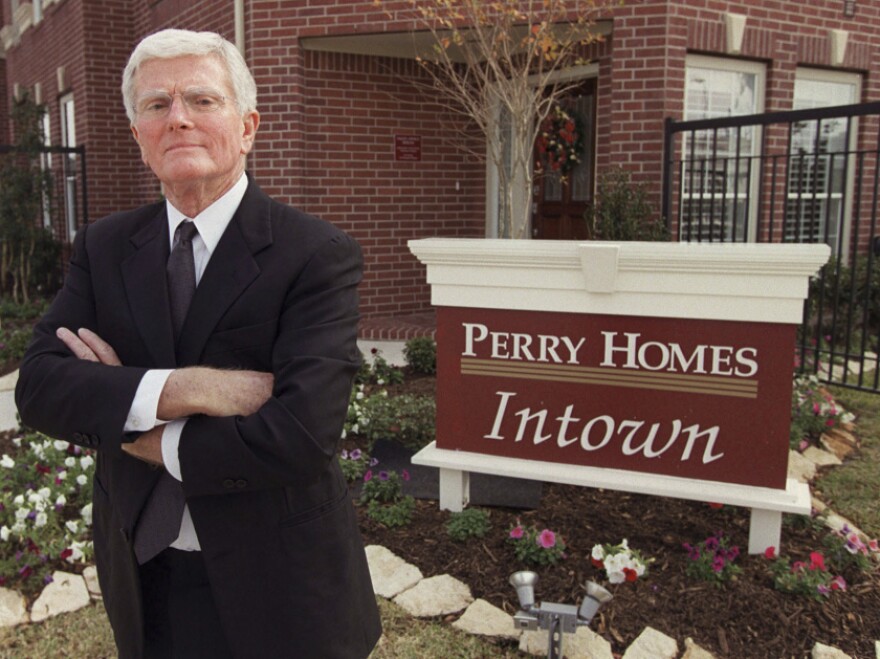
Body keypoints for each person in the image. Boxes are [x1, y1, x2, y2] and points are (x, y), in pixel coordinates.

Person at [15, 28, 381, 658]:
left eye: (201, 100)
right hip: (143, 575)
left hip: (279, 587)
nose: (177, 118)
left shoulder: (315, 255)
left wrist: (135, 421)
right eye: (156, 105)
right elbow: (40, 387)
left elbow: (300, 433)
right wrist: (193, 388)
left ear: (247, 126)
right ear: (138, 137)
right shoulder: (105, 249)